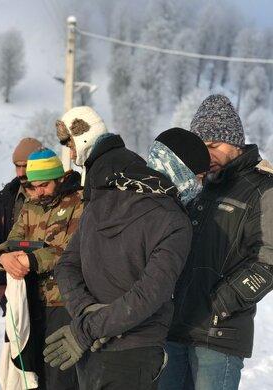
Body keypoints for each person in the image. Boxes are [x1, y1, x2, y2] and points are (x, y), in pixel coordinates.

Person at [44, 128, 211, 390]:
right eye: (198, 176)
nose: (199, 185)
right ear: (179, 169)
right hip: (136, 352)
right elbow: (149, 295)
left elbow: (66, 267)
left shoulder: (102, 199)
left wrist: (85, 314)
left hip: (88, 353)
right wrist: (89, 327)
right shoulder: (175, 221)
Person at [160, 95, 273, 390]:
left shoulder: (263, 189)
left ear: (235, 143)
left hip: (219, 336)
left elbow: (268, 261)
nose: (206, 155)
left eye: (213, 146)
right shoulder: (195, 187)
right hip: (175, 329)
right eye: (201, 147)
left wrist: (220, 303)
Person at [0, 148, 83, 390]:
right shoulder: (31, 206)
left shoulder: (80, 203)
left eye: (44, 185)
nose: (38, 191)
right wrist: (4, 257)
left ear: (59, 178)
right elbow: (10, 241)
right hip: (30, 303)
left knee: (61, 378)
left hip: (64, 305)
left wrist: (31, 261)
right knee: (32, 377)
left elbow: (73, 251)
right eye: (33, 186)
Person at [0, 137, 42, 315]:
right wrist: (0, 288)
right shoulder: (3, 199)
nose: (20, 172)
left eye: (26, 166)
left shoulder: (55, 194)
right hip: (14, 290)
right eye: (17, 166)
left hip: (49, 293)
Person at [56, 106, 146, 203]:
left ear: (82, 137)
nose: (71, 155)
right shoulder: (131, 157)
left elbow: (101, 216)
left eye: (71, 147)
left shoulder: (102, 169)